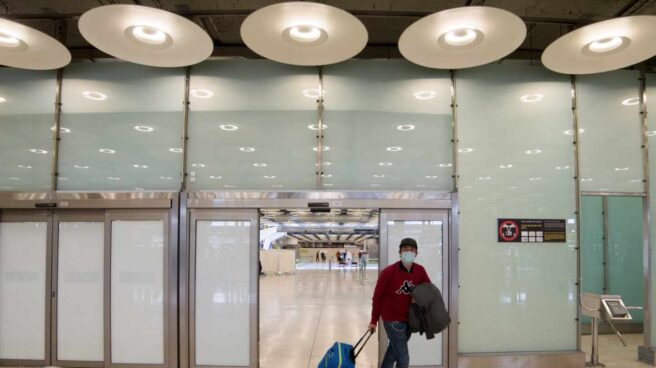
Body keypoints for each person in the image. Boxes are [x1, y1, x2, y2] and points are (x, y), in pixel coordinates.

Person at [368, 238, 431, 368]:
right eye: (405, 249)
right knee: (403, 358)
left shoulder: (420, 271)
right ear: (400, 252)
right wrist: (374, 320)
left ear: (416, 253)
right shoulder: (388, 272)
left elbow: (428, 289)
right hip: (393, 320)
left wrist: (419, 298)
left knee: (393, 351)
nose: (408, 252)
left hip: (409, 319)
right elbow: (377, 297)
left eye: (411, 250)